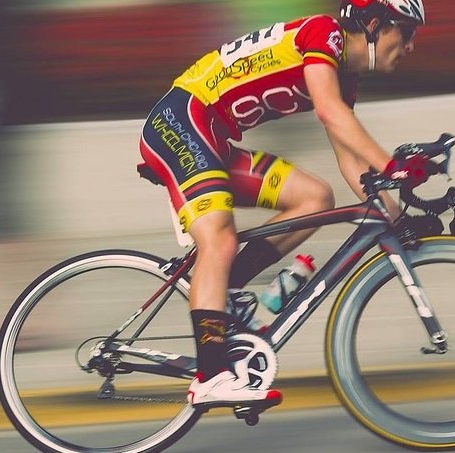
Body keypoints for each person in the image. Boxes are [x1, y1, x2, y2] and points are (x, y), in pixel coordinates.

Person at [136, 0, 428, 408]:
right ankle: (211, 378)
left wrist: (398, 219)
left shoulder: (345, 77)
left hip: (211, 140)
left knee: (316, 198)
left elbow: (352, 164)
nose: (412, 45)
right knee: (218, 240)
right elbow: (330, 114)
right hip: (181, 121)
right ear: (376, 24)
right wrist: (396, 165)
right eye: (408, 32)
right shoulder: (323, 33)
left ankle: (226, 286)